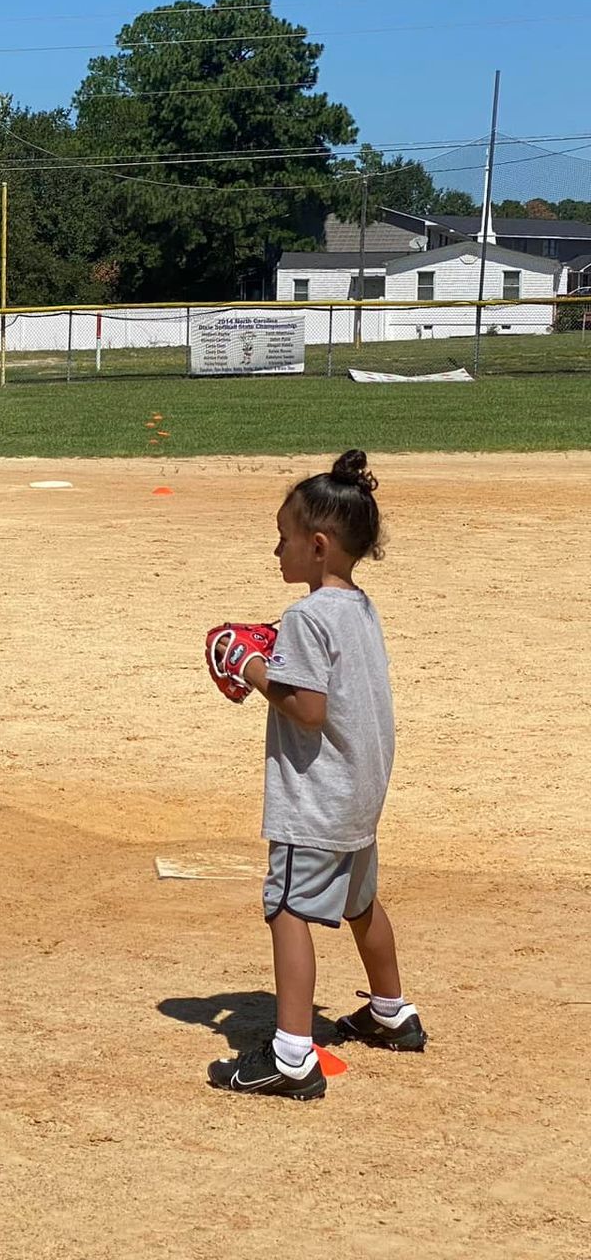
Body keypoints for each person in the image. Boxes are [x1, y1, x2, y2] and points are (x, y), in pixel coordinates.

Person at [213, 449, 427, 1100]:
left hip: (316, 799)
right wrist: (279, 646)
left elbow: (307, 708)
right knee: (360, 904)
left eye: (282, 540)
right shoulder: (356, 606)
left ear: (317, 545)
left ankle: (292, 1056)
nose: (275, 550)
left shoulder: (309, 617)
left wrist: (245, 664)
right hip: (358, 794)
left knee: (287, 908)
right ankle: (392, 1012)